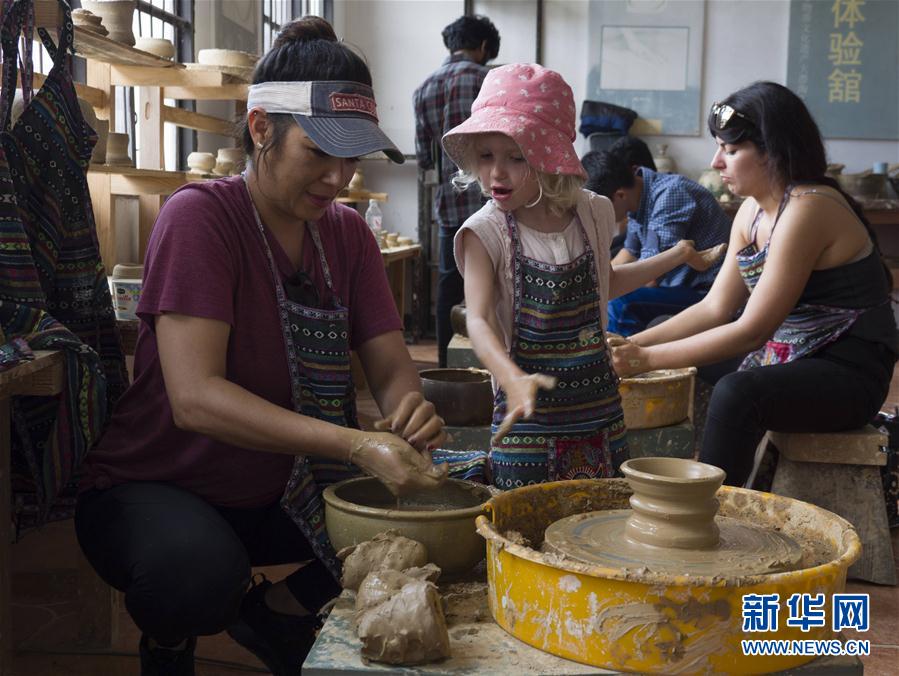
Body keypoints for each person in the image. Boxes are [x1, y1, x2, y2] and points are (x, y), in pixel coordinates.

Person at [75, 17, 447, 676]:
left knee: (447, 523)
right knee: (195, 577)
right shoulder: (201, 218)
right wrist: (356, 442)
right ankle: (169, 643)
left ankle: (272, 613)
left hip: (281, 489)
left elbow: (391, 366)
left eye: (350, 156)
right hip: (162, 487)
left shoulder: (349, 238)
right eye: (318, 153)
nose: (337, 178)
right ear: (260, 131)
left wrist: (406, 408)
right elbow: (194, 400)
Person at [443, 64, 720, 489]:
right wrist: (511, 377)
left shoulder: (594, 211)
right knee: (523, 526)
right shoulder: (485, 231)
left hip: (598, 411)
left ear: (549, 157)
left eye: (516, 157)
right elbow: (478, 319)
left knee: (597, 518)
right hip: (527, 414)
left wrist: (678, 255)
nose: (497, 172)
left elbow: (605, 285)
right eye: (486, 156)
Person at [611, 81, 898, 487]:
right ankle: (708, 469)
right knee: (661, 328)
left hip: (849, 373)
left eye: (729, 150)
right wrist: (636, 344)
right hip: (789, 354)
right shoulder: (751, 212)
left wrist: (644, 361)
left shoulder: (808, 207)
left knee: (736, 394)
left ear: (773, 151)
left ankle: (710, 514)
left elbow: (752, 331)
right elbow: (714, 308)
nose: (716, 162)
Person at [414, 14, 500, 367]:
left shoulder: (424, 88)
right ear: (483, 47)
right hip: (494, 194)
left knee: (450, 281)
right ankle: (497, 362)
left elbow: (424, 158)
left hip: (448, 202)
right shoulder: (490, 80)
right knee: (498, 276)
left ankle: (447, 365)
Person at [583, 149, 731, 336]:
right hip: (678, 286)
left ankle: (623, 361)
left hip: (708, 291)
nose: (597, 216)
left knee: (620, 304)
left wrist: (605, 292)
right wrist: (592, 287)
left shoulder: (670, 194)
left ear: (619, 195)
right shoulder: (638, 198)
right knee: (595, 299)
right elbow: (628, 253)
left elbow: (651, 277)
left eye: (599, 208)